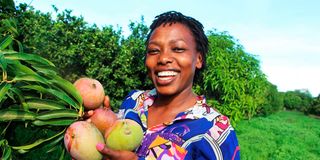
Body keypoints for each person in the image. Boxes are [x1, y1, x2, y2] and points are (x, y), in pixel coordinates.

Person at [95, 11, 240, 160]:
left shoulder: (214, 131)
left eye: (178, 49)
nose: (163, 58)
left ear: (198, 59)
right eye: (154, 51)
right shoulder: (134, 101)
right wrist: (98, 125)